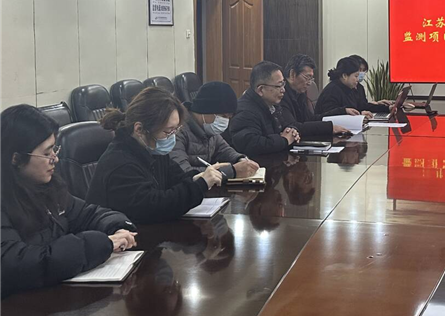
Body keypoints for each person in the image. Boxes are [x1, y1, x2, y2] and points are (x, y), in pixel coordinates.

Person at [1, 105, 137, 298]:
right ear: (16, 158)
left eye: (54, 150)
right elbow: (18, 265)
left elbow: (88, 213)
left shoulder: (45, 187)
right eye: (46, 154)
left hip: (50, 297)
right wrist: (98, 244)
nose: (55, 159)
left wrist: (118, 227)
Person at [86, 87, 227, 224]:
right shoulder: (121, 164)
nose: (172, 137)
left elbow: (177, 178)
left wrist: (196, 179)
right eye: (168, 131)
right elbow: (154, 206)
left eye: (175, 130)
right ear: (140, 129)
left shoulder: (153, 149)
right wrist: (199, 186)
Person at [170, 81, 259, 178]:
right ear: (204, 110)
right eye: (223, 116)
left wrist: (240, 159)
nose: (225, 121)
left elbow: (223, 149)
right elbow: (184, 172)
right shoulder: (176, 131)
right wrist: (231, 171)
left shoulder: (208, 128)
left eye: (229, 117)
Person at [230, 61, 301, 155]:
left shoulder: (272, 105)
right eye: (278, 86)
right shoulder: (245, 112)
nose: (283, 90)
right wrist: (284, 140)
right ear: (261, 90)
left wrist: (292, 132)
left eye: (283, 84)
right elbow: (252, 145)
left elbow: (286, 126)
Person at [281, 54, 349, 137]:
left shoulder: (299, 93)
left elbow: (310, 119)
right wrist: (329, 128)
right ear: (292, 74)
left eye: (311, 78)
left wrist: (342, 111)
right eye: (307, 77)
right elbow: (293, 126)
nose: (309, 83)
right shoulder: (280, 94)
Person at [315, 56, 391, 117]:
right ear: (345, 76)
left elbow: (361, 106)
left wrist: (387, 108)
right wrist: (357, 115)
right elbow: (329, 116)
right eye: (356, 76)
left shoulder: (349, 88)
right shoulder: (332, 90)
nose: (358, 79)